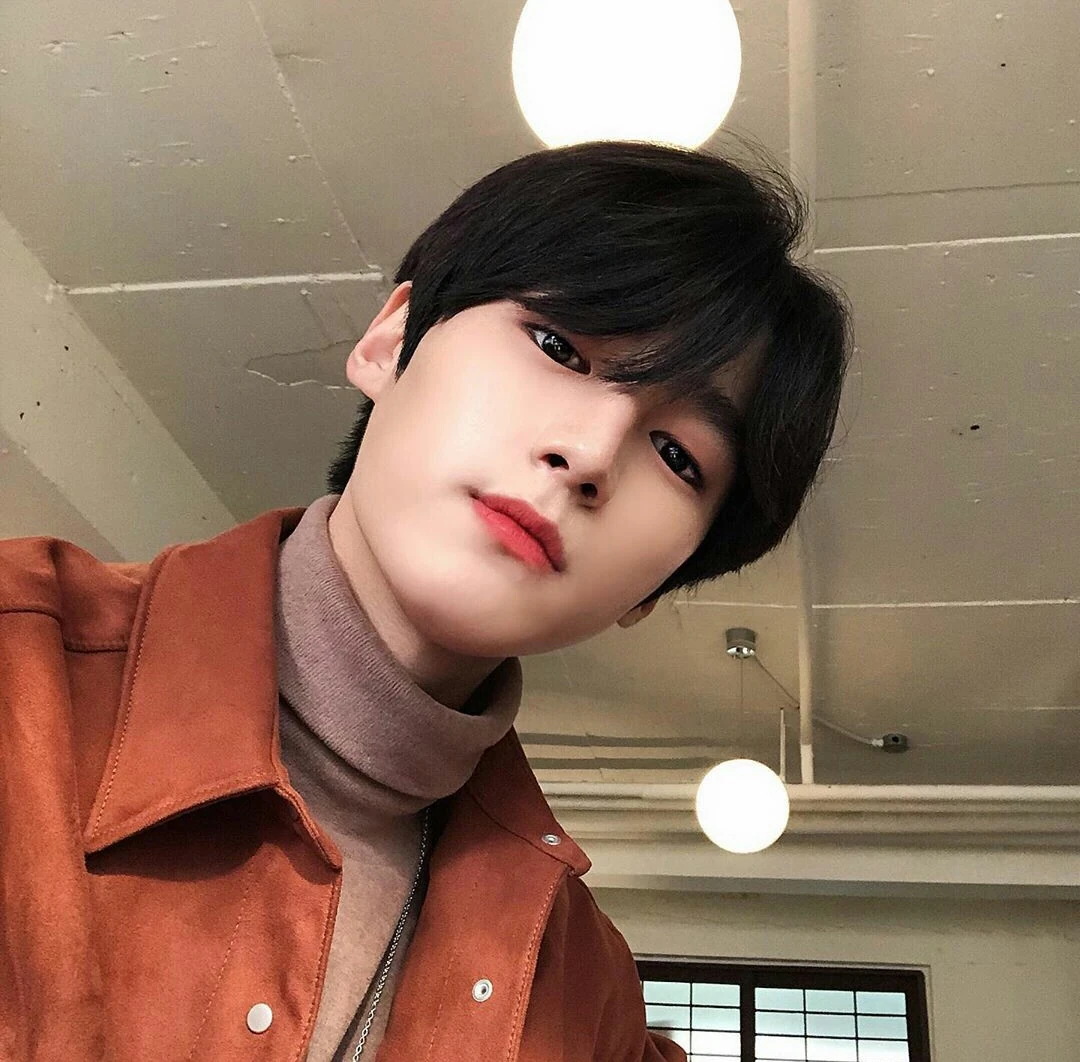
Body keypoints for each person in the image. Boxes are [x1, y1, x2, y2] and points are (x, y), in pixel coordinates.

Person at [0, 140, 849, 1061]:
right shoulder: (22, 684)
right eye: (559, 345)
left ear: (654, 592)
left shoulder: (584, 997)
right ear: (390, 342)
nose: (592, 454)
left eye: (679, 456)